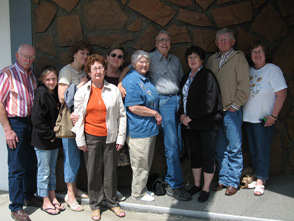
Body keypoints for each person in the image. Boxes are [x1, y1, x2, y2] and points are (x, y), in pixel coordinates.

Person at [118, 30, 191, 201]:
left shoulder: (175, 60)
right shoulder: (147, 58)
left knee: (179, 143)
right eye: (161, 40)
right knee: (171, 144)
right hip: (164, 103)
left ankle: (172, 179)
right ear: (156, 43)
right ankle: (175, 184)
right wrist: (120, 82)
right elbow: (131, 67)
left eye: (167, 40)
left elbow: (181, 81)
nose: (164, 43)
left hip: (178, 101)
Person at [72, 54, 126, 220]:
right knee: (94, 173)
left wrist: (120, 138)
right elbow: (78, 117)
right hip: (91, 137)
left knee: (110, 172)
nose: (97, 71)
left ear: (104, 70)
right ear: (88, 71)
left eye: (100, 67)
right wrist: (80, 140)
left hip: (110, 136)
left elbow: (122, 115)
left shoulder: (114, 90)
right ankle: (95, 205)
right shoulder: (82, 92)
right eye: (94, 68)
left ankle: (112, 203)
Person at [206, 28, 250, 196]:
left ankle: (233, 181)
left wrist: (235, 105)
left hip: (231, 111)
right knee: (219, 147)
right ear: (216, 43)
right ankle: (223, 179)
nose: (222, 42)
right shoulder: (212, 59)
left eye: (226, 39)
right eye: (220, 40)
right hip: (216, 112)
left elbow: (244, 84)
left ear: (232, 42)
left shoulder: (239, 58)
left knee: (234, 147)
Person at [0, 44, 41, 221]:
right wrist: (7, 129)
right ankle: (16, 207)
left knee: (31, 163)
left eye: (32, 58)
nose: (28, 60)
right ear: (17, 55)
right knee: (16, 167)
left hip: (30, 123)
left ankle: (28, 195)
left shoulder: (32, 75)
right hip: (15, 123)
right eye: (25, 56)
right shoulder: (7, 74)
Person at [179, 46, 223, 202]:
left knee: (207, 155)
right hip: (190, 125)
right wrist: (182, 115)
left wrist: (191, 116)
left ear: (202, 60)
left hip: (206, 124)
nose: (192, 60)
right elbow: (181, 100)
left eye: (195, 57)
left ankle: (205, 188)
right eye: (189, 57)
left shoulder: (207, 76)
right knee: (195, 154)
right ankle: (197, 184)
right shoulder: (185, 78)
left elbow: (209, 102)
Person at [243, 40, 287, 196]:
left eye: (260, 52)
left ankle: (261, 180)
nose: (257, 55)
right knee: (254, 151)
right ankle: (260, 177)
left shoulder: (273, 70)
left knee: (262, 151)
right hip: (248, 118)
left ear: (265, 54)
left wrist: (274, 116)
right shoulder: (248, 70)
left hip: (264, 120)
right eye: (254, 52)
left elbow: (281, 94)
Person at [122, 50, 162, 202]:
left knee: (145, 162)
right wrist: (155, 114)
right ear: (133, 64)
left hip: (149, 129)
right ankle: (138, 193)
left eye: (146, 62)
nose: (144, 65)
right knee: (140, 164)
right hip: (138, 130)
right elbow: (133, 107)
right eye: (141, 62)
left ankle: (142, 188)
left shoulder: (145, 78)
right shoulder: (132, 80)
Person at [58, 40, 92, 211]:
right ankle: (70, 195)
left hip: (84, 121)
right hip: (71, 122)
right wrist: (81, 84)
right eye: (82, 53)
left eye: (87, 53)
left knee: (77, 158)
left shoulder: (85, 71)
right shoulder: (66, 71)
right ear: (74, 54)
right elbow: (62, 97)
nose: (85, 56)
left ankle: (75, 189)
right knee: (71, 158)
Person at [31, 66, 65, 215]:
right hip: (43, 141)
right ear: (42, 80)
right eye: (48, 79)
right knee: (43, 171)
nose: (51, 82)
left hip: (53, 141)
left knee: (51, 170)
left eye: (54, 79)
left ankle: (52, 196)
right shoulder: (41, 94)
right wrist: (50, 135)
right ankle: (44, 200)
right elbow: (37, 120)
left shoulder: (53, 94)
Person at [105, 45, 128, 201]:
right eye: (113, 55)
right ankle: (102, 191)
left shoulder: (125, 77)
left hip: (117, 123)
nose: (116, 58)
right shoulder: (98, 74)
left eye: (120, 57)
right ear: (107, 57)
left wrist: (120, 81)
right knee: (100, 161)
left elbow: (134, 64)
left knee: (114, 160)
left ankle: (112, 189)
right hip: (100, 123)